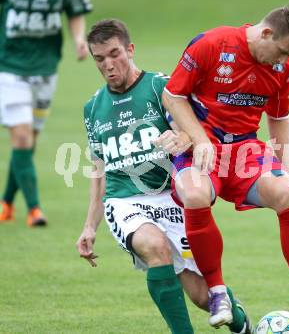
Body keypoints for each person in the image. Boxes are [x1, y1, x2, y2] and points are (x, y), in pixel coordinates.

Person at [76, 19, 252, 334]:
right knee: (154, 247)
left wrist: (181, 138)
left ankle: (242, 324)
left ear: (130, 50)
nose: (108, 64)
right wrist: (90, 226)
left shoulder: (162, 88)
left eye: (114, 54)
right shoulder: (92, 108)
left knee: (202, 296)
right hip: (125, 202)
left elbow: (197, 131)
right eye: (99, 58)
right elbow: (99, 169)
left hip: (172, 198)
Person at [162, 4, 289, 330]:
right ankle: (218, 291)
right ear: (266, 33)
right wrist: (200, 139)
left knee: (288, 193)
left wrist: (287, 168)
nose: (282, 61)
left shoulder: (284, 67)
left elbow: (278, 117)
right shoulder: (211, 44)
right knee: (194, 194)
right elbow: (173, 95)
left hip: (244, 148)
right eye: (280, 51)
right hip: (198, 146)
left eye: (288, 56)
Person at [0, 0, 92, 226]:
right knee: (21, 137)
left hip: (46, 71)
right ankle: (35, 210)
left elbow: (75, 11)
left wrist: (79, 39)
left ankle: (6, 203)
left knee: (29, 140)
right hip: (9, 69)